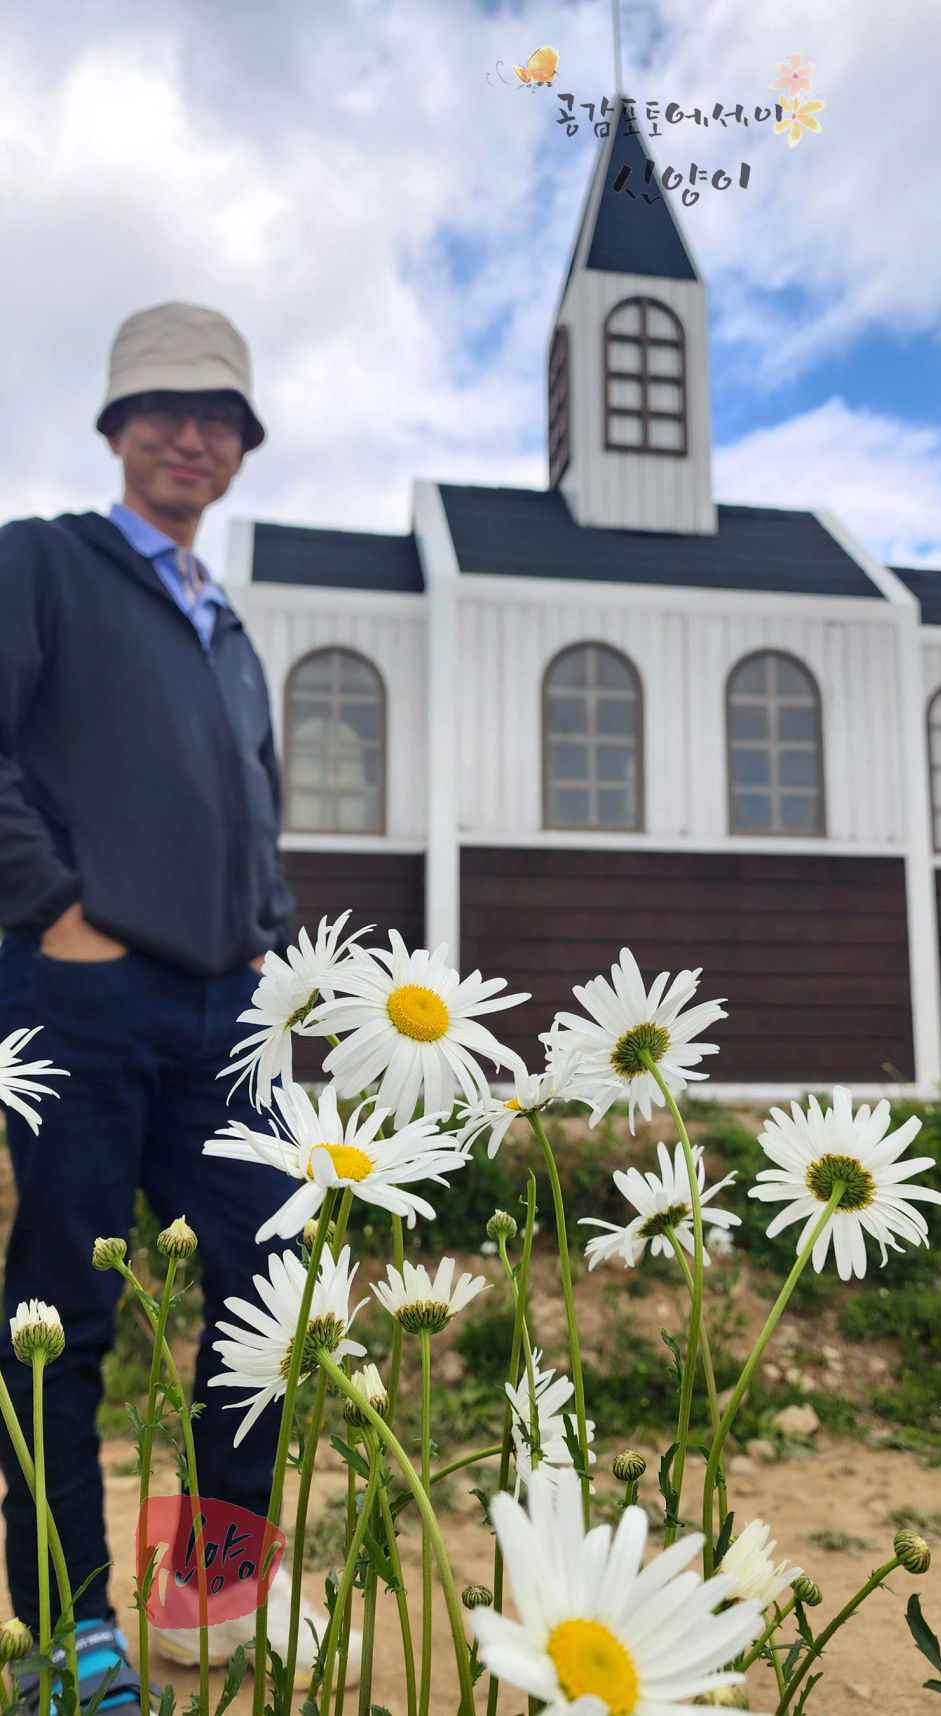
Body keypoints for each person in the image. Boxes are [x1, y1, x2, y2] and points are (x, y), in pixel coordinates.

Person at [0, 303, 332, 1709]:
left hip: (229, 1013)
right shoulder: (43, 564)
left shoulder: (232, 629)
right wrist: (54, 911)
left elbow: (249, 807)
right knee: (60, 1317)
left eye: (220, 416)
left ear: (243, 448)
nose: (191, 434)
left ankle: (207, 1597)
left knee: (268, 1296)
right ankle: (73, 1631)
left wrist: (266, 941)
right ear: (117, 427)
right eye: (164, 408)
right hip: (80, 995)